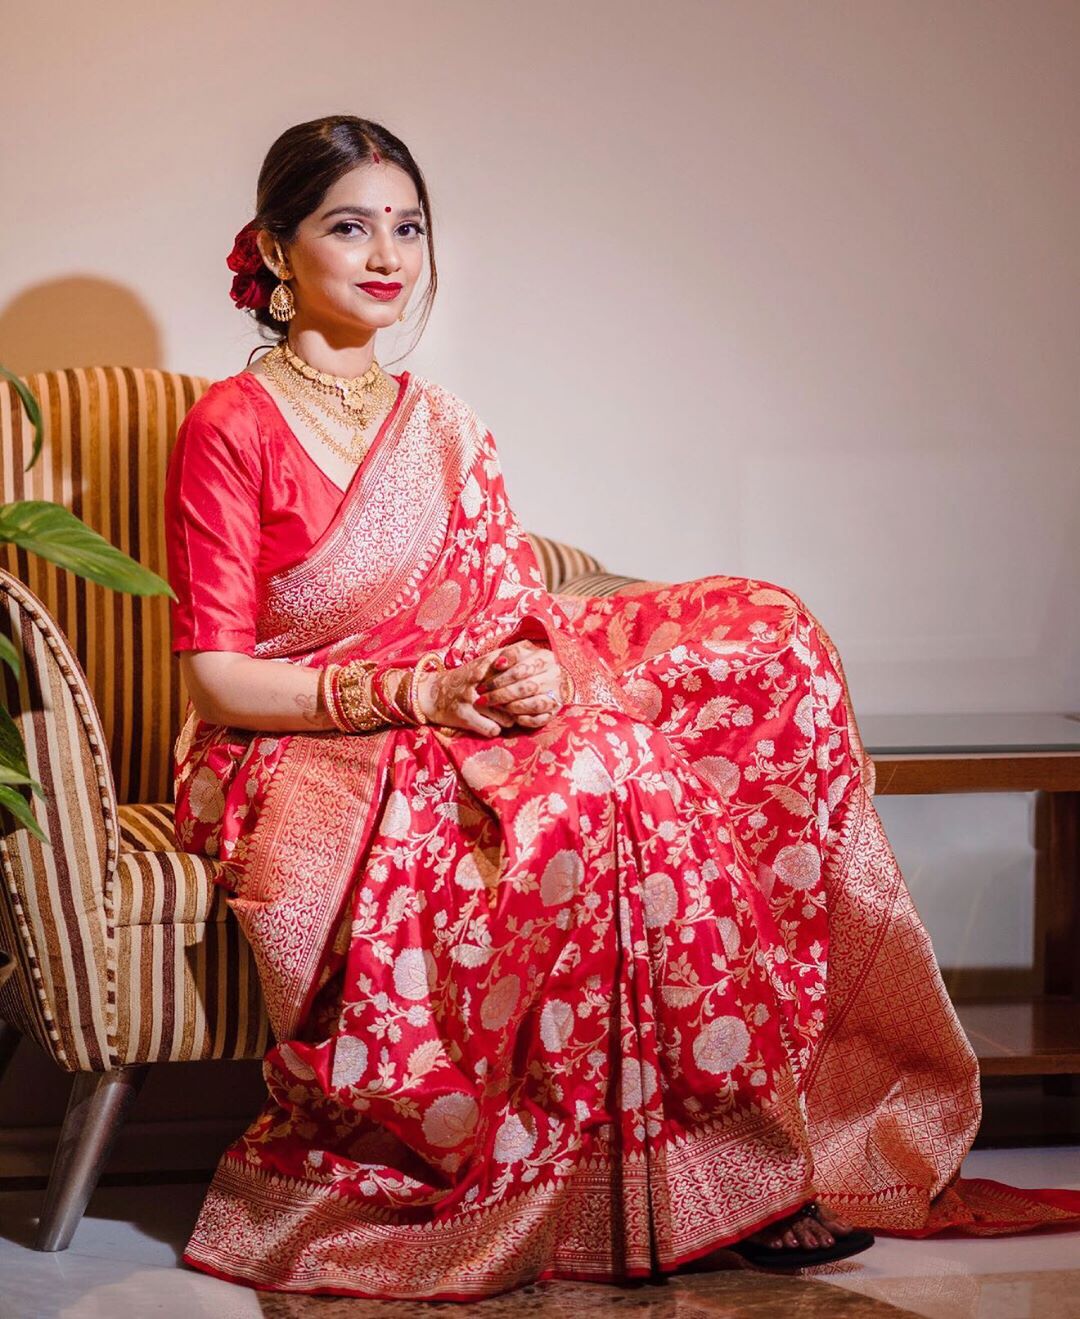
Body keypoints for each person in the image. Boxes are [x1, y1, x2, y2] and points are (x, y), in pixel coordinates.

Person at [167, 115, 1080, 1303]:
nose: (387, 252)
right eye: (350, 225)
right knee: (602, 777)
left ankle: (740, 1158)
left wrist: (528, 664)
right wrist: (409, 692)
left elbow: (496, 605)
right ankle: (597, 1171)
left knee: (757, 646)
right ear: (277, 253)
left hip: (449, 705)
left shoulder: (442, 425)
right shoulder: (229, 425)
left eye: (408, 226)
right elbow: (215, 676)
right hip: (294, 742)